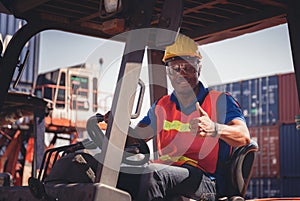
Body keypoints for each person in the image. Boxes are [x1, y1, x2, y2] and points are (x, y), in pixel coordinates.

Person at [122, 34, 251, 201]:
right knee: (124, 173)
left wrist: (214, 128)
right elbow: (137, 138)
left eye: (188, 68)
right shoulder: (162, 105)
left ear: (199, 69)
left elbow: (243, 136)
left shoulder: (220, 101)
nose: (181, 74)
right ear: (168, 72)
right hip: (167, 175)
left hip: (206, 182)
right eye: (175, 68)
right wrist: (117, 127)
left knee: (153, 174)